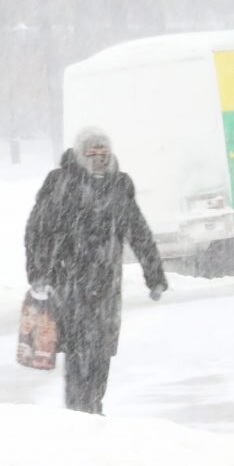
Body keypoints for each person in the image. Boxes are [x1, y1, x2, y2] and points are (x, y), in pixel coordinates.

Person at [24, 127, 167, 414]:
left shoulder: (119, 186)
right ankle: (78, 410)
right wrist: (38, 273)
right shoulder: (60, 183)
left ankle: (94, 406)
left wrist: (154, 276)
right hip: (70, 283)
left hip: (106, 287)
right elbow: (37, 231)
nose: (99, 158)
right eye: (92, 152)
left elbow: (139, 232)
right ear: (80, 154)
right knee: (78, 351)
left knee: (102, 351)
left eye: (104, 152)